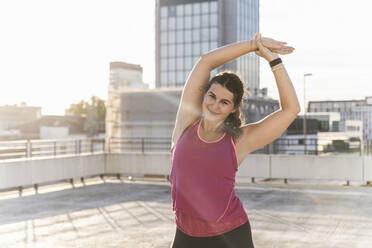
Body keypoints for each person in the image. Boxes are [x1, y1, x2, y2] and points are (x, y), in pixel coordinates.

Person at [169, 33, 300, 248]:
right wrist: (253, 45)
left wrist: (273, 60)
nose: (214, 105)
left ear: (233, 108)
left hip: (230, 236)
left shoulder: (239, 140)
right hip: (185, 232)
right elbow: (206, 61)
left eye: (224, 102)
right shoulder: (186, 123)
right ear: (204, 95)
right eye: (212, 96)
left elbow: (291, 109)